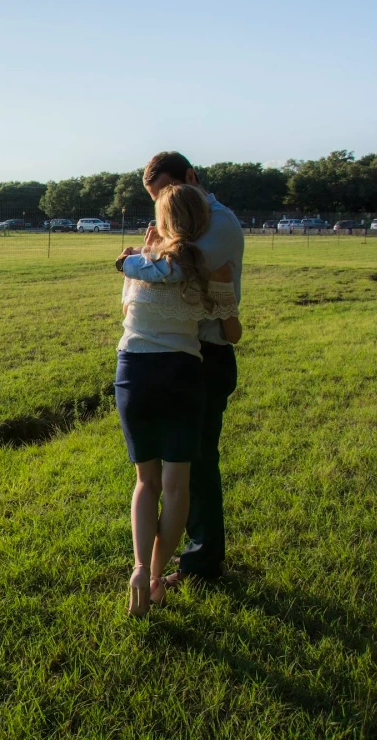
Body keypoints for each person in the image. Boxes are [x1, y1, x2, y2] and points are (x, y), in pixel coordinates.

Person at [114, 183, 239, 616]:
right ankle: (154, 578)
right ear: (202, 223)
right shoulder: (209, 270)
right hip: (184, 375)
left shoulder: (136, 265)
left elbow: (127, 315)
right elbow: (231, 333)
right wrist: (222, 294)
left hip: (133, 374)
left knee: (145, 482)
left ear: (162, 222)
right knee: (176, 486)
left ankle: (135, 567)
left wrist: (147, 251)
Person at [141, 152, 244, 587]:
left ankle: (202, 564)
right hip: (177, 354)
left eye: (165, 193)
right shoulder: (193, 222)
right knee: (176, 465)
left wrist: (145, 252)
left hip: (206, 353)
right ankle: (177, 558)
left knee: (196, 462)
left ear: (190, 178)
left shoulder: (220, 223)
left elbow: (174, 268)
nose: (162, 207)